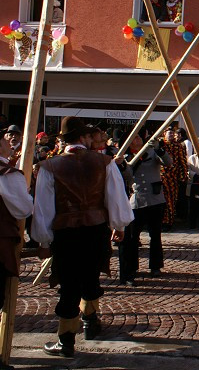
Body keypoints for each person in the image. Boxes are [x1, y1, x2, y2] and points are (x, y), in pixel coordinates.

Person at [32, 117, 133, 357]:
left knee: (69, 283)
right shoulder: (104, 163)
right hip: (95, 230)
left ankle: (66, 340)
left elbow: (44, 208)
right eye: (89, 136)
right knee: (90, 275)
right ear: (82, 138)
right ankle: (89, 323)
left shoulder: (50, 167)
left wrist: (44, 241)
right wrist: (119, 225)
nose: (92, 139)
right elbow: (116, 197)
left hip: (66, 234)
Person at [117, 131, 173, 285]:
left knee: (155, 236)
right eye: (134, 137)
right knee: (133, 238)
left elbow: (169, 163)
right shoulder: (126, 157)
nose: (138, 138)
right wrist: (125, 164)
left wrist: (160, 149)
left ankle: (155, 266)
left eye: (139, 136)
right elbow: (128, 176)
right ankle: (132, 267)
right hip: (137, 202)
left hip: (155, 200)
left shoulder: (152, 151)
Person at [0, 125, 34, 366]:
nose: (8, 141)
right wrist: (26, 191)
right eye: (3, 138)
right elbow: (23, 209)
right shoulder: (7, 174)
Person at [160, 127, 188, 229]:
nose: (171, 134)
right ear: (164, 134)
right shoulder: (160, 145)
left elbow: (183, 161)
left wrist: (183, 176)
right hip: (159, 177)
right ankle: (159, 221)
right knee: (159, 201)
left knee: (170, 200)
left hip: (172, 178)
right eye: (169, 133)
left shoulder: (178, 146)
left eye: (173, 133)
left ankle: (168, 222)